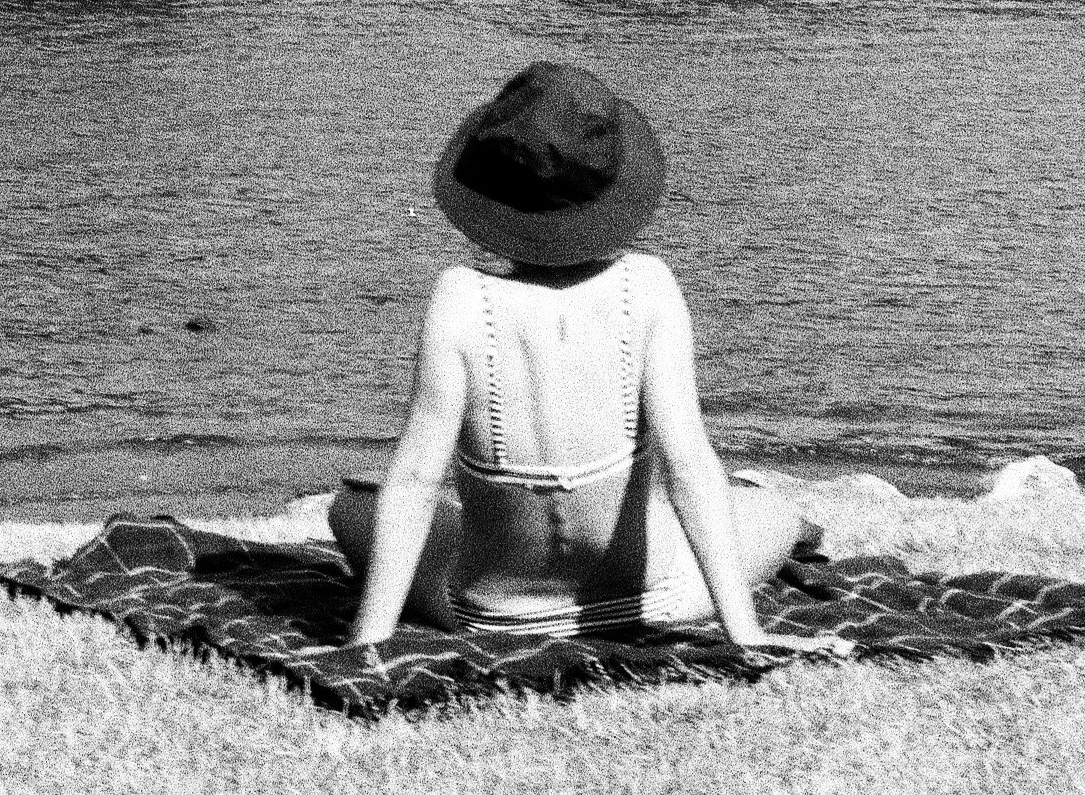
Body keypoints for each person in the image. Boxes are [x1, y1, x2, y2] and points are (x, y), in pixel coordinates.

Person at [333, 61, 814, 652]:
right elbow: (688, 465)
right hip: (654, 601)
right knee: (774, 511)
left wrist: (368, 642)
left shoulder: (459, 299)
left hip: (490, 615)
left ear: (491, 196)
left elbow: (414, 479)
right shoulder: (649, 287)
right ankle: (752, 527)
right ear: (611, 194)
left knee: (350, 508)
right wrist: (746, 634)